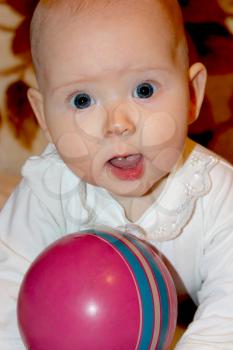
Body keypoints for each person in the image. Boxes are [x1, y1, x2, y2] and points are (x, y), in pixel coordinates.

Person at [0, 0, 233, 348]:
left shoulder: (216, 194)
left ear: (191, 95)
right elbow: (10, 285)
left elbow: (226, 316)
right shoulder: (50, 187)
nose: (117, 124)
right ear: (44, 117)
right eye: (82, 100)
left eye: (144, 90)